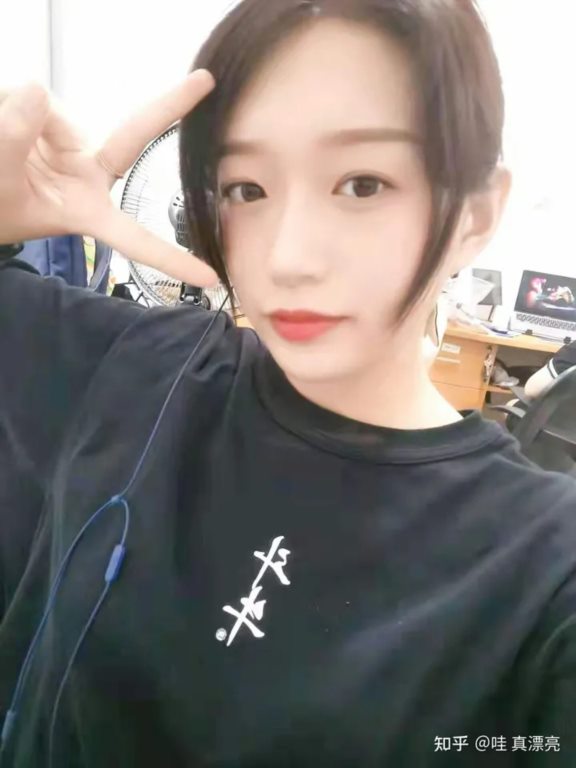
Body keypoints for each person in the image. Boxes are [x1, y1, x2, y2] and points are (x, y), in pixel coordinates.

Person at [1, 1, 575, 766]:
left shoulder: (544, 572)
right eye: (245, 189)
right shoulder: (136, 364)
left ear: (475, 214)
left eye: (363, 183)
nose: (287, 257)